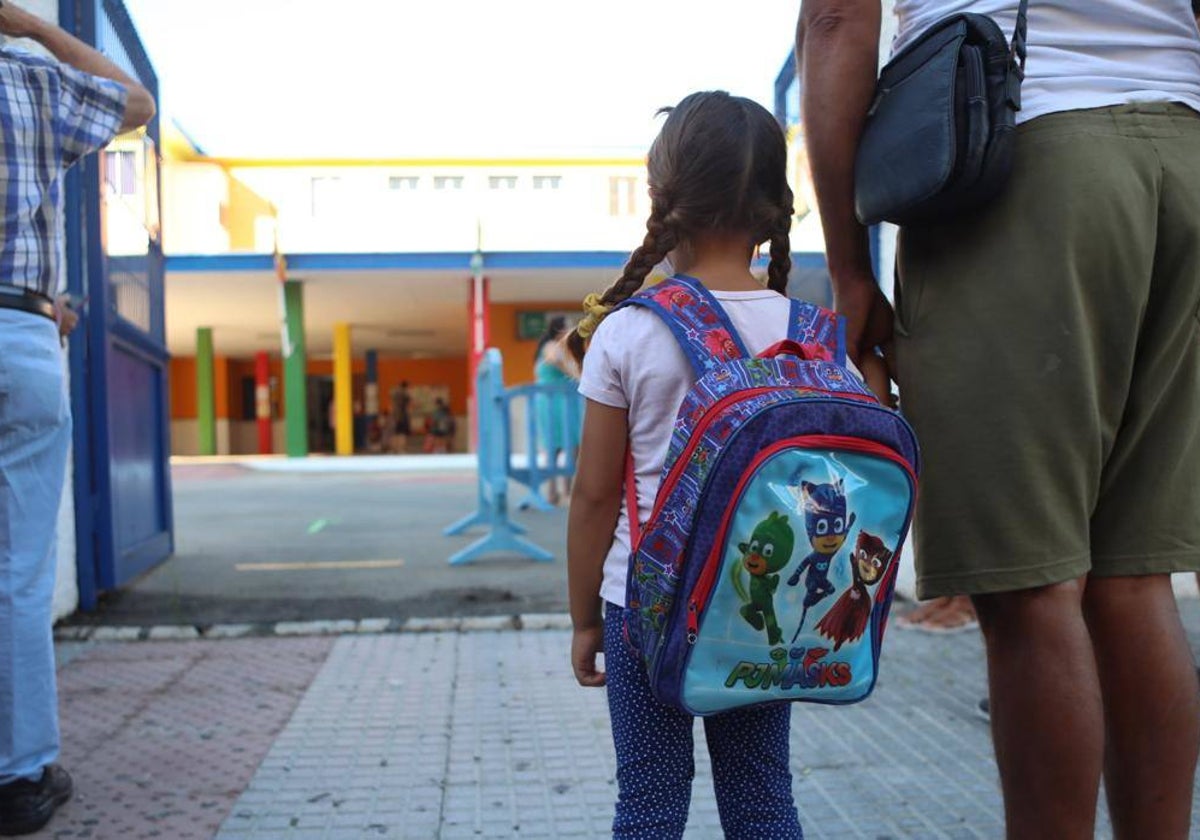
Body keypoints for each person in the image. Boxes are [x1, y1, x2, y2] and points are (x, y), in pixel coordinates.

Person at [799, 2, 1200, 838]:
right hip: (1183, 153)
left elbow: (838, 19)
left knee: (1030, 588)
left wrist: (847, 264)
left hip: (1021, 155)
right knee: (1134, 579)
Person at [567, 91, 804, 838]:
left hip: (643, 605)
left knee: (649, 802)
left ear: (658, 195)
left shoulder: (629, 333)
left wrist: (583, 620)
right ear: (772, 209)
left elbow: (595, 496)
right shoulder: (810, 332)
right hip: (760, 606)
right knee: (763, 798)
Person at [0, 3, 155, 836]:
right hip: (18, 330)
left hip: (26, 315)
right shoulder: (27, 74)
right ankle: (19, 780)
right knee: (19, 574)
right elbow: (136, 102)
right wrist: (36, 28)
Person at [532, 316, 579, 505]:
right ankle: (560, 492)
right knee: (567, 444)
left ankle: (558, 491)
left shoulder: (548, 347)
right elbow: (554, 360)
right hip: (557, 401)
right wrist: (572, 372)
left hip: (554, 400)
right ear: (559, 330)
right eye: (568, 328)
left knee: (559, 445)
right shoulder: (553, 346)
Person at [389, 380, 412, 453]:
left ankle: (393, 449)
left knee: (394, 433)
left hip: (394, 415)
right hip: (401, 415)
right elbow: (408, 400)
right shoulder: (404, 393)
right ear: (405, 386)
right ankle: (401, 449)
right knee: (402, 433)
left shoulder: (394, 392)